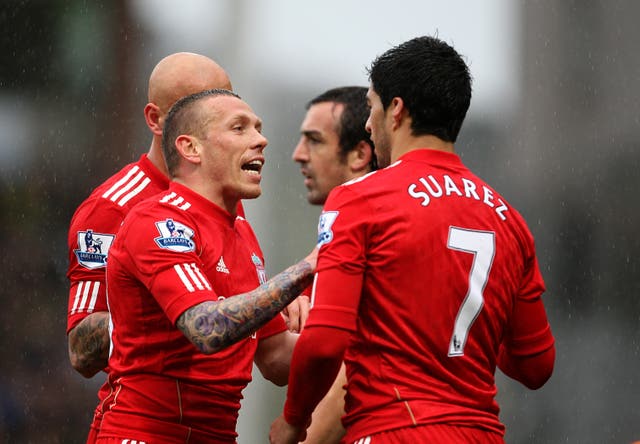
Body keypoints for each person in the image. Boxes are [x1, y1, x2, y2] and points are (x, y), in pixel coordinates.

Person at [270, 35, 556, 444]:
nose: (368, 124)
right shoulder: (509, 219)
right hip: (482, 434)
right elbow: (537, 366)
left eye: (371, 107)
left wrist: (294, 418)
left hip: (395, 429)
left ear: (396, 110)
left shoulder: (358, 199)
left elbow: (325, 342)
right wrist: (457, 334)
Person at [95, 88, 315, 444]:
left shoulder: (241, 232)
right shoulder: (159, 221)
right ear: (190, 148)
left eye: (257, 128)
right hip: (147, 433)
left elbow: (276, 358)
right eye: (239, 128)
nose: (261, 139)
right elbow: (207, 328)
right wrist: (309, 268)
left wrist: (349, 320)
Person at [66, 52, 236, 443]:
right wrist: (171, 310)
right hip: (145, 427)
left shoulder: (230, 204)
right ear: (156, 120)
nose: (218, 117)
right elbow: (80, 350)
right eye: (197, 106)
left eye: (226, 101)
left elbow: (268, 350)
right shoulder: (113, 208)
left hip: (216, 429)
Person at [291, 86, 376, 444]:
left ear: (359, 154)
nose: (298, 155)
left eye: (314, 140)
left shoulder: (368, 224)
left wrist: (295, 427)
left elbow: (346, 365)